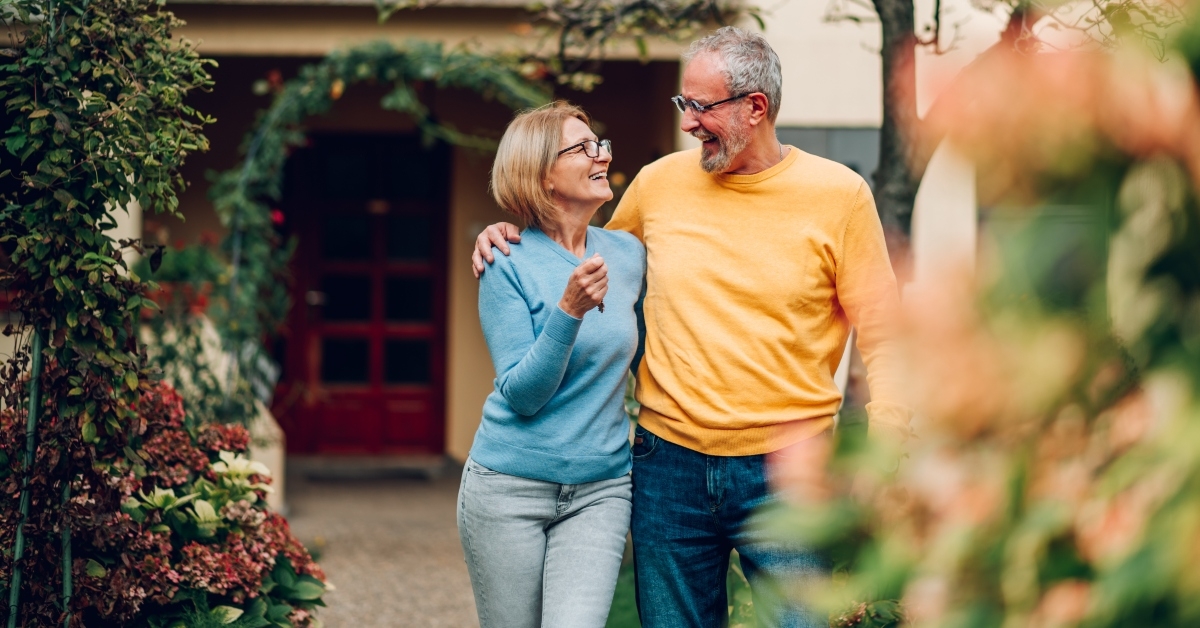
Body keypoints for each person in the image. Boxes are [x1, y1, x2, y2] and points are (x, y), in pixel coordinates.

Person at [472, 27, 911, 628]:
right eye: (684, 105)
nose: (688, 123)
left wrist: (883, 450)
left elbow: (885, 331)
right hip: (667, 467)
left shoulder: (839, 195)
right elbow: (572, 248)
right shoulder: (658, 185)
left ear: (755, 108)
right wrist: (507, 233)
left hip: (789, 471)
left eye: (701, 107)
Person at [457, 101, 645, 628]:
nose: (601, 155)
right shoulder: (504, 262)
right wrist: (569, 312)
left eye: (600, 143)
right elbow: (523, 394)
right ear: (542, 175)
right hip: (508, 487)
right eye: (582, 148)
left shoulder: (629, 256)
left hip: (601, 489)